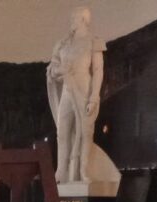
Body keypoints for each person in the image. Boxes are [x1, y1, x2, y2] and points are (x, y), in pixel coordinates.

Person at [47, 7, 106, 183]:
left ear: (83, 19)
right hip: (67, 90)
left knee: (86, 131)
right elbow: (52, 68)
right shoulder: (63, 44)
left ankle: (83, 170)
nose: (71, 21)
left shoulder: (93, 41)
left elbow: (98, 71)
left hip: (84, 90)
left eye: (74, 18)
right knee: (62, 131)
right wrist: (60, 70)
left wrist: (94, 97)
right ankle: (61, 171)